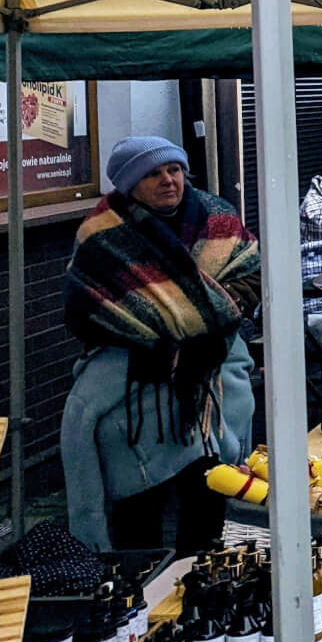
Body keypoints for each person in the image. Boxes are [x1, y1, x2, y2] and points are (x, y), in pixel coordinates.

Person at [61, 136, 260, 552]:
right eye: (153, 174)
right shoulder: (102, 235)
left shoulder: (217, 218)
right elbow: (85, 310)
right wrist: (161, 329)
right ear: (129, 183)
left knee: (210, 481)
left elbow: (253, 274)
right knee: (139, 494)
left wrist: (217, 310)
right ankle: (140, 583)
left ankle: (202, 568)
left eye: (173, 170)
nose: (168, 180)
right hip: (139, 382)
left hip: (210, 378)